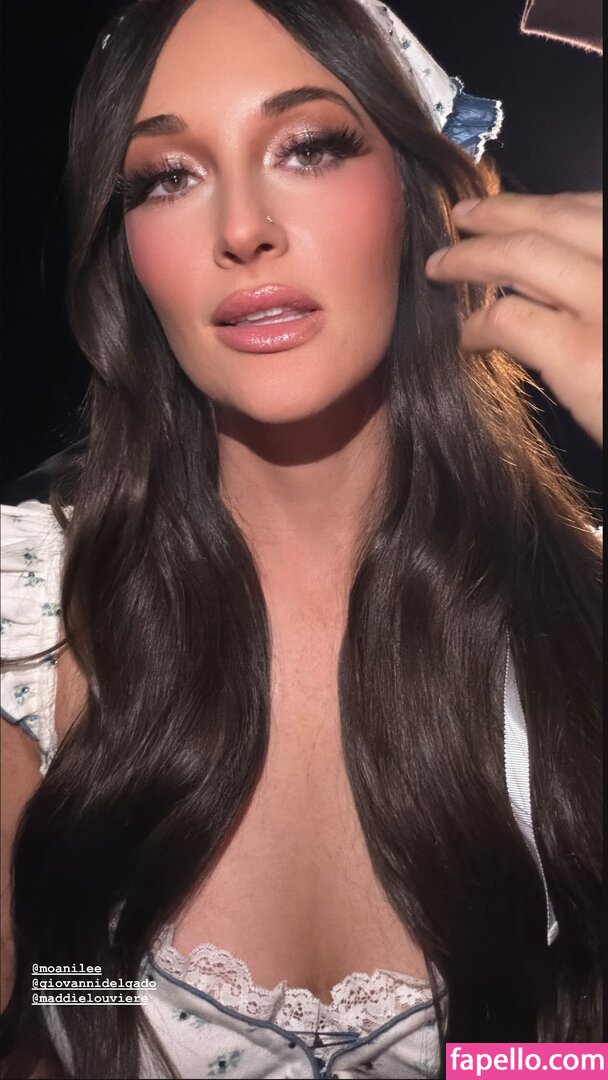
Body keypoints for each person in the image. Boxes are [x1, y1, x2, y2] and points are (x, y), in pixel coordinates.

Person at [0, 1, 602, 1077]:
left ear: (427, 195)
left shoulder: (583, 617)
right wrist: (86, 1014)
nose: (242, 228)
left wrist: (506, 1059)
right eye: (167, 177)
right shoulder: (27, 613)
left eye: (310, 146)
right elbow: (58, 995)